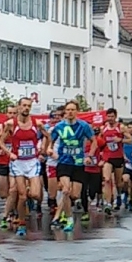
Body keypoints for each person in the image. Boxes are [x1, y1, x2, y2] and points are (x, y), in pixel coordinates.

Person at [47, 100, 94, 233]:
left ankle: (66, 213)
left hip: (78, 163)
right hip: (64, 162)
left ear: (77, 111)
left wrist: (89, 156)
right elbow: (50, 141)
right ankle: (69, 219)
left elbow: (94, 141)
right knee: (65, 190)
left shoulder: (83, 126)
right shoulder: (59, 126)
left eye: (73, 110)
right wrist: (50, 149)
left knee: (74, 195)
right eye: (68, 110)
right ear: (65, 112)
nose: (70, 112)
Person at [2, 97, 42, 237]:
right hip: (18, 162)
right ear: (18, 107)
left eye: (29, 106)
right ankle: (22, 223)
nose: (26, 108)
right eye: (24, 105)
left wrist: (43, 149)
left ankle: (30, 195)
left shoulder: (37, 123)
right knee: (22, 196)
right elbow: (0, 141)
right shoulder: (11, 124)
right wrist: (9, 153)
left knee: (36, 194)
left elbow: (48, 136)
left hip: (32, 162)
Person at [99, 109, 131, 214]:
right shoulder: (103, 128)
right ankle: (108, 203)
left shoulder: (121, 127)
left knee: (119, 183)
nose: (110, 118)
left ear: (115, 117)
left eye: (112, 116)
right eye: (108, 116)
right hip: (107, 157)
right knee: (107, 179)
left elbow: (130, 140)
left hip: (118, 157)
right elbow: (99, 141)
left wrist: (120, 140)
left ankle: (120, 195)